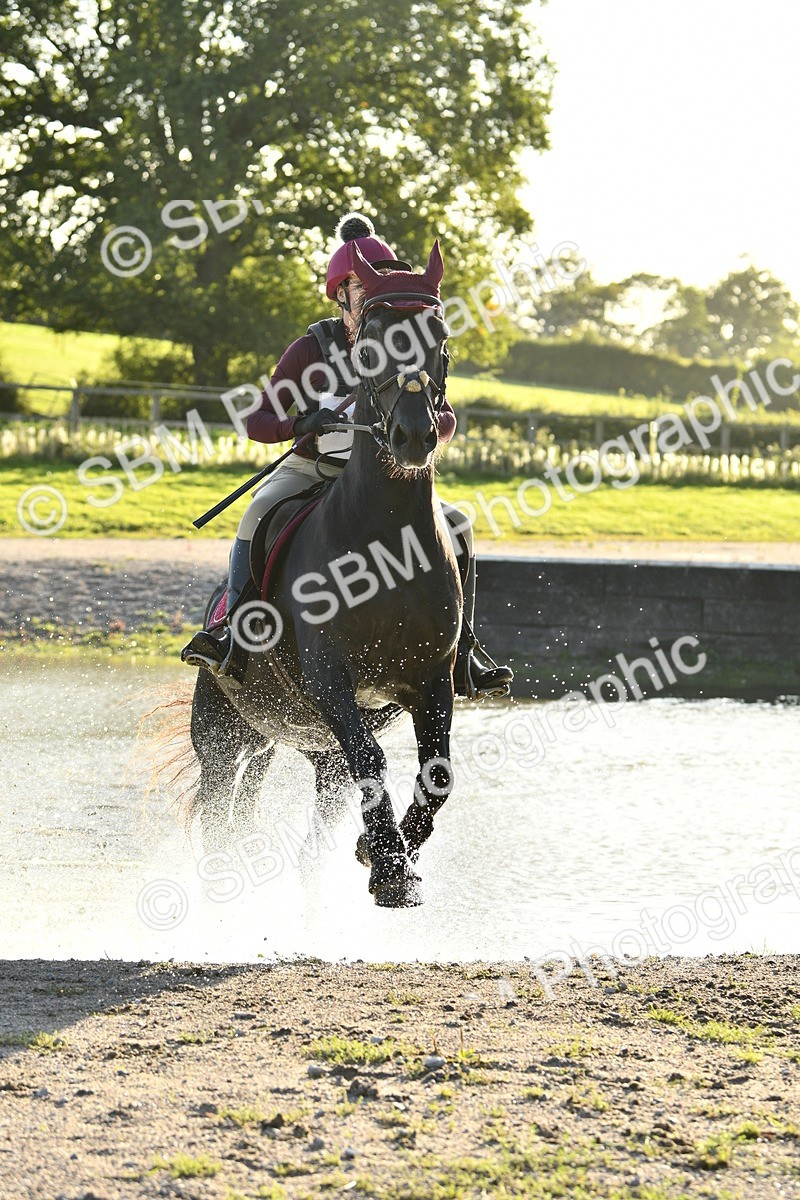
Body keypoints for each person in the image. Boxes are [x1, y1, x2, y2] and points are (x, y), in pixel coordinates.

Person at [182, 213, 513, 698]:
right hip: (312, 469)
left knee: (459, 525)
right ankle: (231, 635)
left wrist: (429, 428)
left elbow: (444, 418)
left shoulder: (405, 344)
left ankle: (463, 651)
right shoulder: (311, 350)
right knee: (258, 511)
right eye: (361, 287)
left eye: (381, 283)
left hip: (389, 481)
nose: (373, 294)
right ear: (341, 295)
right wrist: (300, 425)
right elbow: (257, 422)